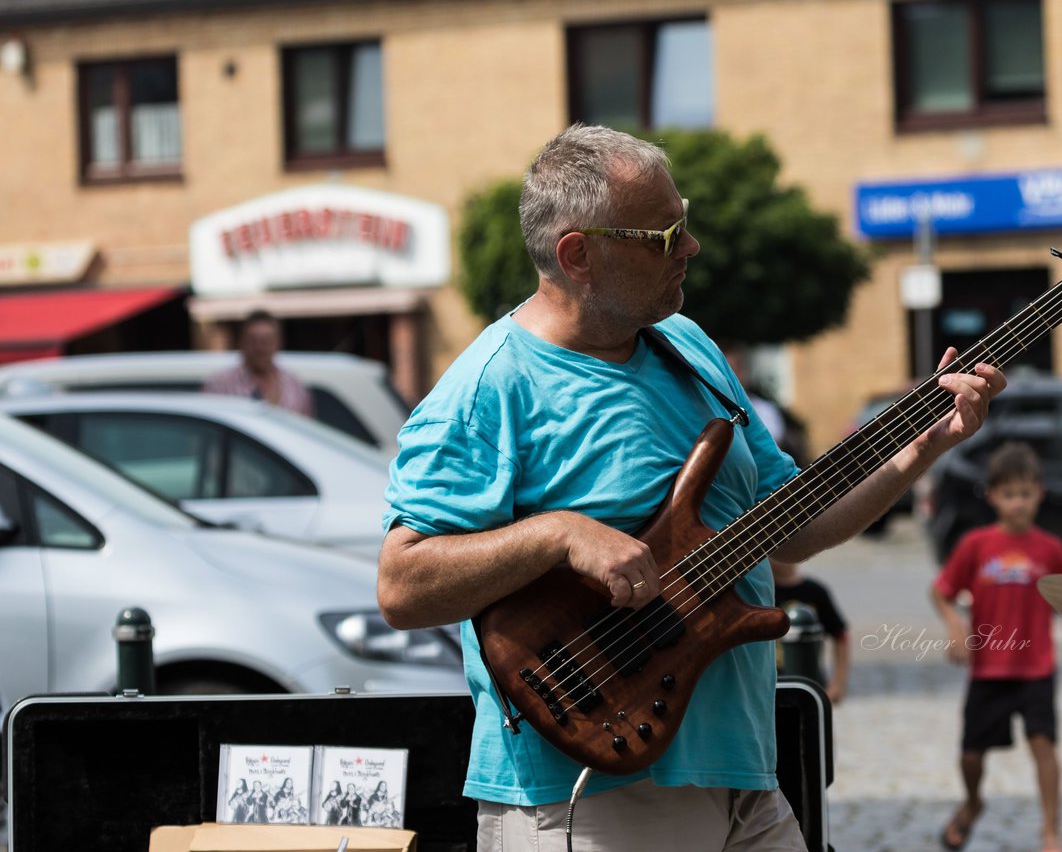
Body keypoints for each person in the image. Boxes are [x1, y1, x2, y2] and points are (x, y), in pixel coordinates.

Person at [378, 123, 1005, 851]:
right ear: (579, 254)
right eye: (665, 233)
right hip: (593, 795)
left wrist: (921, 449)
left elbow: (791, 523)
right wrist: (559, 535)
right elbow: (402, 584)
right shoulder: (491, 386)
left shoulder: (691, 347)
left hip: (741, 770)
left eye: (687, 223)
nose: (691, 247)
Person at [930, 441, 1062, 852]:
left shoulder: (1051, 550)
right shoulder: (976, 545)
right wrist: (956, 627)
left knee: (1044, 746)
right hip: (988, 670)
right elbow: (941, 591)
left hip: (1036, 669)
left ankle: (1050, 831)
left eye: (1026, 493)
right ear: (992, 496)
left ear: (1040, 494)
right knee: (971, 756)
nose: (1018, 503)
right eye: (1009, 494)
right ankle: (973, 803)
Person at [202, 309, 314, 416]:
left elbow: (306, 428)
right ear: (241, 343)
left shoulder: (294, 386)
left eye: (266, 341)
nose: (260, 348)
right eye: (253, 341)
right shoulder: (220, 386)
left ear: (279, 343)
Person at [772, 560, 850, 705]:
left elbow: (840, 636)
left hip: (811, 681)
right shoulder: (762, 592)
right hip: (771, 683)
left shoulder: (815, 591)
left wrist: (838, 684)